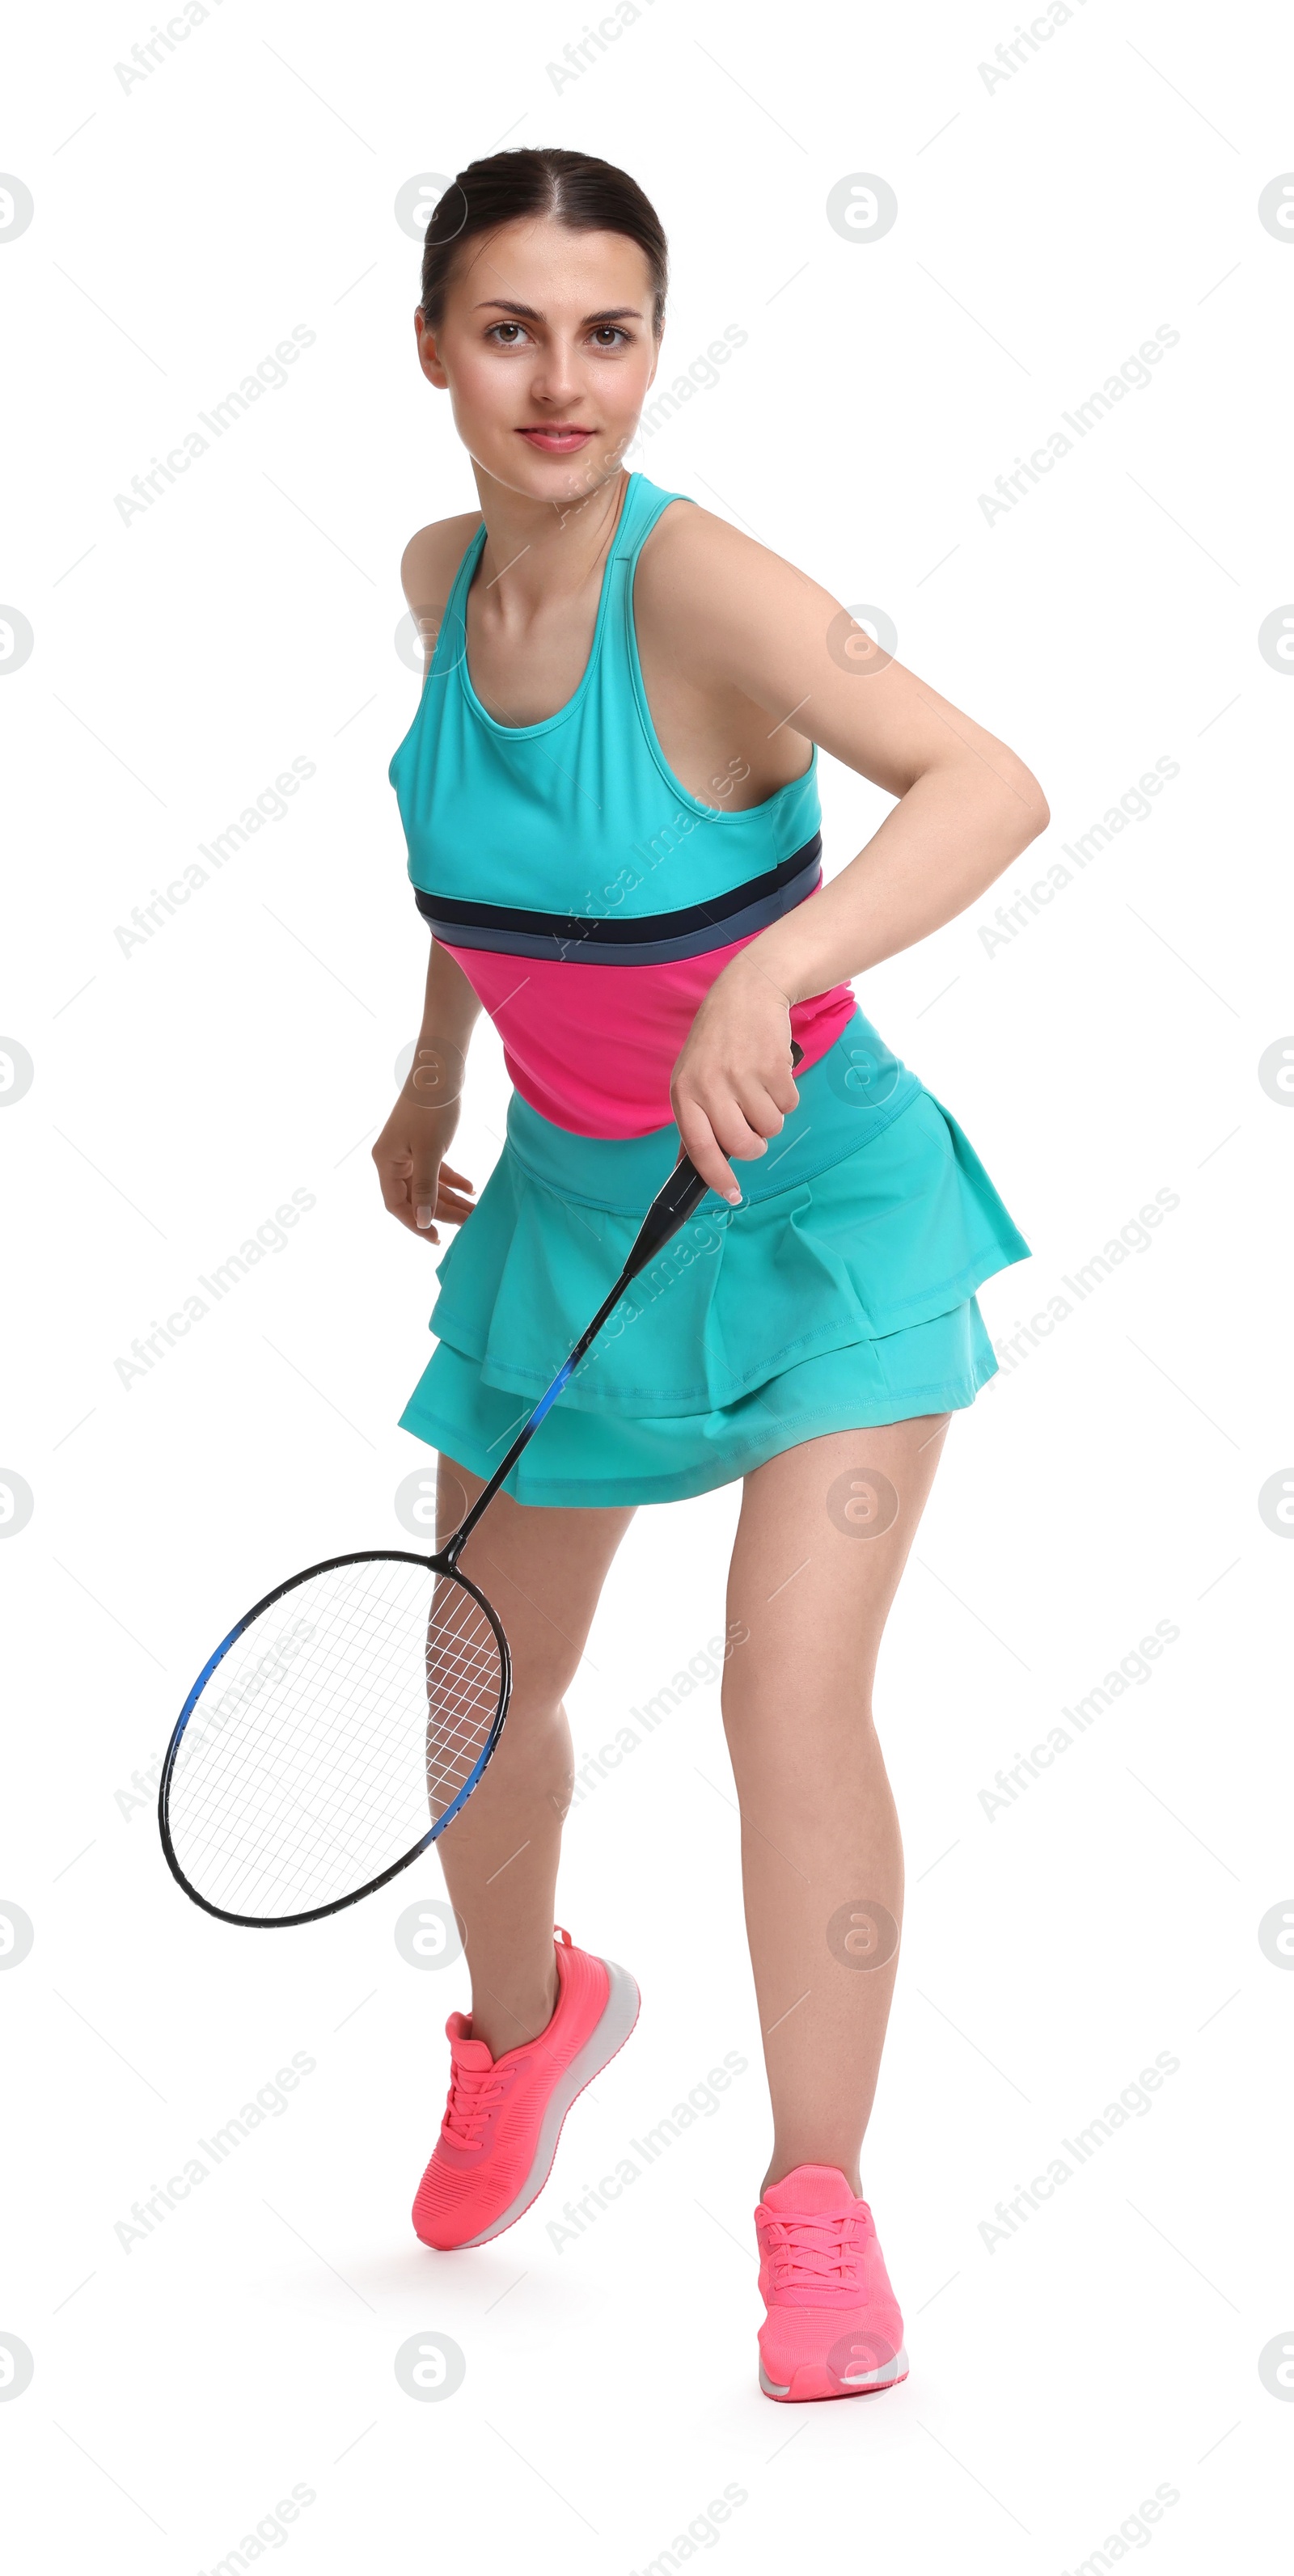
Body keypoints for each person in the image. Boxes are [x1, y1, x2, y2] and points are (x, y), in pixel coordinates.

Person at [375, 146, 1046, 2404]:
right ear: (435, 349)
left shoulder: (715, 597)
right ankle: (529, 2019)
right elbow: (489, 878)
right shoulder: (437, 575)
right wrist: (427, 1084)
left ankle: (816, 2204)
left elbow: (985, 781)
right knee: (467, 1685)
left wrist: (785, 960)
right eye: (512, 329)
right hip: (573, 1215)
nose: (564, 380)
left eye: (612, 330)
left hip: (816, 1215)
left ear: (656, 347)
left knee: (784, 1696)